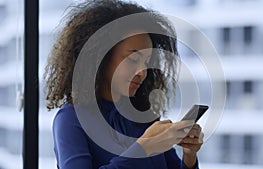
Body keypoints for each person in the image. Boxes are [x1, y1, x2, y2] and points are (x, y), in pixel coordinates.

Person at [44, 0, 204, 169]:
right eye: (133, 59)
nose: (142, 71)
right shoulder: (71, 119)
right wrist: (145, 148)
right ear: (100, 57)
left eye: (147, 62)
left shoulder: (144, 117)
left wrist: (189, 156)